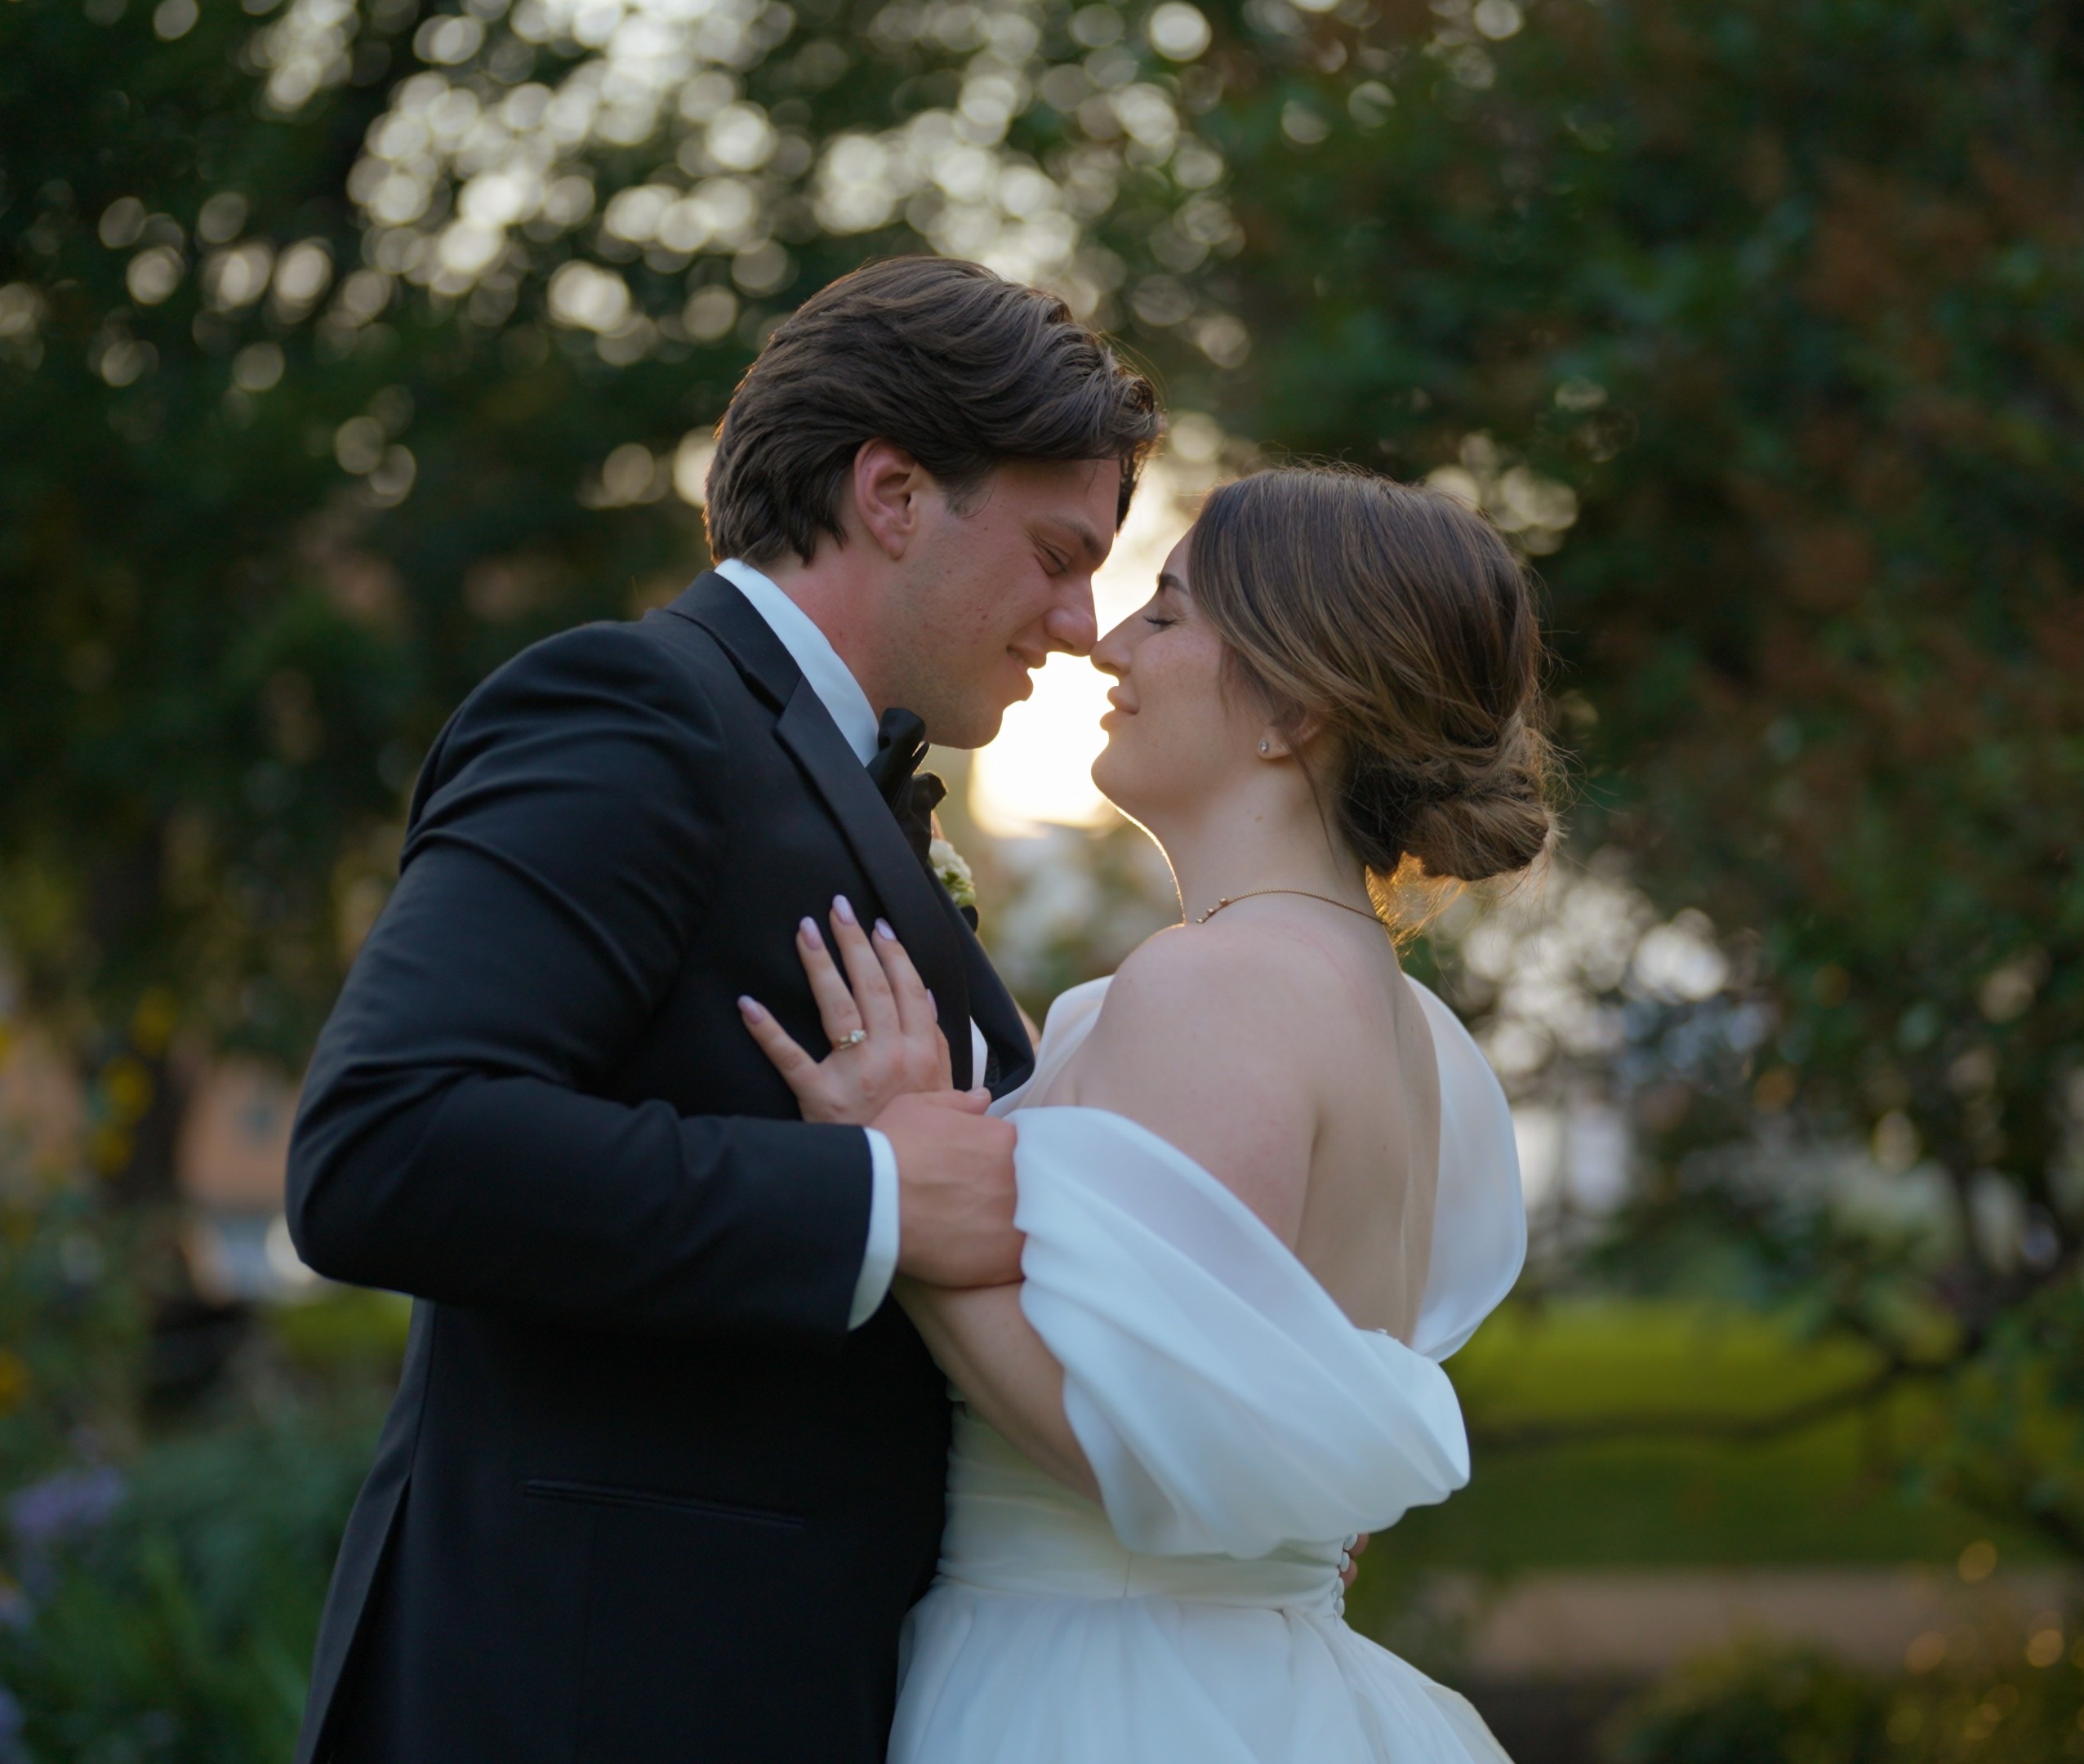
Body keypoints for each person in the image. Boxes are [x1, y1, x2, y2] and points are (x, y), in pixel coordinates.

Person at [282, 256, 1160, 1764]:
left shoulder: (840, 779)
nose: (1081, 622)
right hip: (586, 1695)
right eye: (1057, 552)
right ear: (893, 492)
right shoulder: (632, 714)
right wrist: (873, 1197)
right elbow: (385, 1146)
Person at [740, 464, 1546, 1762]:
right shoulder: (1418, 1034)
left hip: (1100, 1688)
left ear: (1294, 708)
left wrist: (897, 1164)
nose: (1107, 642)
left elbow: (1120, 1434)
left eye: (1165, 616)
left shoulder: (1216, 983)